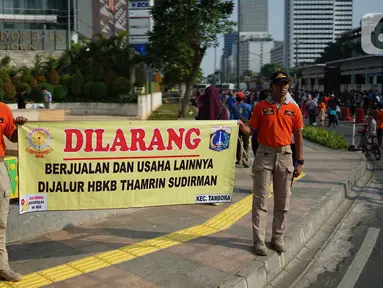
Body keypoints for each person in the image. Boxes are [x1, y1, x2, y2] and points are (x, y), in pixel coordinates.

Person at [238, 71, 304, 256]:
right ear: (271, 86)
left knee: (283, 201)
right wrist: (240, 126)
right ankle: (259, 241)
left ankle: (277, 238)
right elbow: (251, 130)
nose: (283, 87)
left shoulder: (294, 109)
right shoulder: (260, 107)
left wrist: (300, 162)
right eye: (279, 83)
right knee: (260, 200)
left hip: (285, 155)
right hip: (264, 155)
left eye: (286, 84)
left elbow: (298, 135)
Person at [0, 103, 28, 281]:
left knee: (0, 223)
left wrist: (19, 127)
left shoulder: (3, 109)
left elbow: (12, 136)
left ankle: (2, 267)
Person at [232, 92, 252, 168]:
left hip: (237, 124)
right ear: (243, 98)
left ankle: (238, 159)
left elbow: (231, 117)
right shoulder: (248, 106)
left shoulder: (234, 107)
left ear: (236, 98)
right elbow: (251, 116)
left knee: (238, 143)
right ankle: (245, 158)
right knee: (246, 143)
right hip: (246, 124)